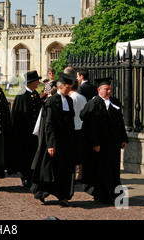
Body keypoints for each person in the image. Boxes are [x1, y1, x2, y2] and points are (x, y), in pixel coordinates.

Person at [80, 77, 128, 204]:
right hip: (100, 144)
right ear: (99, 90)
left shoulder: (115, 102)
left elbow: (120, 122)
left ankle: (114, 193)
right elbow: (90, 125)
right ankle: (103, 194)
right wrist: (95, 143)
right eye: (106, 89)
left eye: (110, 89)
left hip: (113, 143)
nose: (108, 92)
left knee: (114, 170)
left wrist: (123, 138)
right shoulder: (94, 103)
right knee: (102, 170)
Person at [30, 72, 76, 207]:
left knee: (65, 169)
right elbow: (49, 124)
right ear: (60, 86)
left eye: (70, 87)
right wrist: (51, 144)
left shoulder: (69, 100)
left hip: (66, 142)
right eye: (67, 87)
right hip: (53, 141)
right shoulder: (51, 101)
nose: (69, 90)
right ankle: (41, 192)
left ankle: (63, 196)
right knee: (48, 169)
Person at [11, 70, 43, 188]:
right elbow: (16, 116)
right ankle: (25, 177)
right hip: (24, 132)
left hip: (35, 132)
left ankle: (33, 175)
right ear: (31, 82)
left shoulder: (35, 94)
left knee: (34, 154)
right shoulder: (21, 95)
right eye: (37, 81)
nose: (38, 82)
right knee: (25, 156)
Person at [65, 69, 87, 181]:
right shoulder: (82, 98)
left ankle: (73, 173)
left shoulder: (70, 99)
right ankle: (81, 174)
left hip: (73, 127)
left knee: (73, 152)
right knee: (80, 152)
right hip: (81, 126)